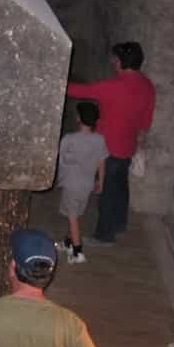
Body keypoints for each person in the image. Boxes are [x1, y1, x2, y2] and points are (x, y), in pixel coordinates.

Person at [66, 41, 155, 245]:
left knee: (105, 190)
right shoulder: (147, 86)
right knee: (120, 186)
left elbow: (80, 91)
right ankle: (119, 224)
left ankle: (104, 235)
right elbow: (145, 122)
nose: (113, 63)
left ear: (122, 62)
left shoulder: (114, 86)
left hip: (108, 147)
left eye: (115, 59)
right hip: (128, 145)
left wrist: (55, 81)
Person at [56, 102, 109, 264]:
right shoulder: (100, 140)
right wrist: (101, 181)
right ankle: (68, 241)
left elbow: (61, 159)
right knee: (75, 214)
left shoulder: (69, 139)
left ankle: (78, 252)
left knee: (72, 217)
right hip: (87, 184)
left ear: (78, 118)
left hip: (72, 184)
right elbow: (102, 162)